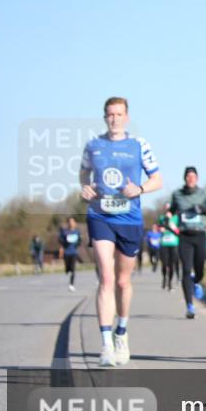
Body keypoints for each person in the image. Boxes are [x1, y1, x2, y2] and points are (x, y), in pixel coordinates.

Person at [79, 96, 163, 367]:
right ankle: (105, 344)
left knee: (123, 281)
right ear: (105, 117)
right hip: (100, 215)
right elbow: (84, 173)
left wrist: (139, 189)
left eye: (118, 114)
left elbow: (157, 179)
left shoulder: (139, 145)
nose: (114, 119)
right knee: (105, 276)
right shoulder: (93, 145)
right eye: (109, 114)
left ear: (127, 117)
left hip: (129, 218)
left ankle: (121, 332)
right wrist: (86, 188)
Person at [170, 166, 206, 319]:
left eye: (193, 176)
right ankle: (189, 305)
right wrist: (169, 219)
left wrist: (204, 209)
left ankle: (197, 281)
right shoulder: (177, 194)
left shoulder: (204, 193)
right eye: (188, 176)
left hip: (200, 235)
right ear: (185, 178)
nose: (191, 179)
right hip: (184, 236)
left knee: (199, 268)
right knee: (186, 269)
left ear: (197, 179)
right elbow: (171, 210)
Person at [58, 217, 82, 291]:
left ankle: (71, 284)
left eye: (72, 222)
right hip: (66, 252)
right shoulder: (65, 232)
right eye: (69, 222)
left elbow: (79, 241)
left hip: (73, 252)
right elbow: (60, 239)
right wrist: (65, 243)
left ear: (75, 223)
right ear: (68, 223)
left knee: (73, 269)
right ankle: (67, 270)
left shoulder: (77, 232)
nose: (71, 223)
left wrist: (76, 244)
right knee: (67, 269)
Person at [158, 208, 180, 290]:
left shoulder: (176, 218)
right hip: (164, 243)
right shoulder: (162, 218)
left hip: (174, 244)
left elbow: (178, 232)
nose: (168, 212)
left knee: (171, 265)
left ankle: (170, 283)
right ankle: (164, 278)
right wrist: (161, 228)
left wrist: (171, 227)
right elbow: (158, 228)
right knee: (164, 264)